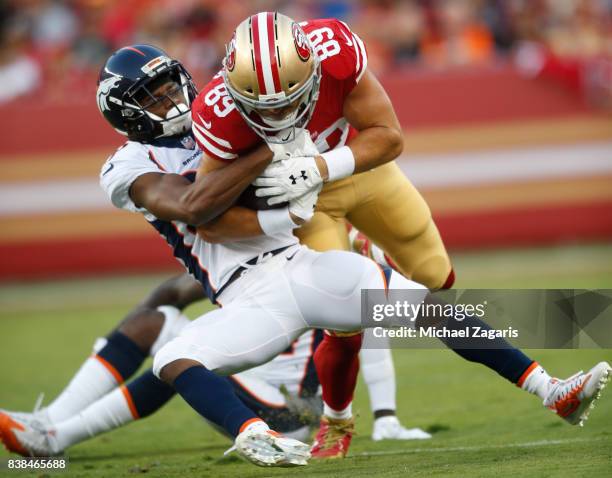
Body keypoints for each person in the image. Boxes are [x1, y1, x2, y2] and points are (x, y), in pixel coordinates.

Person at [189, 12, 611, 460]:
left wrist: (320, 166)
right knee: (345, 320)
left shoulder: (335, 50)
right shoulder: (218, 114)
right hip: (307, 209)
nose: (279, 114)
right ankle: (336, 422)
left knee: (436, 281)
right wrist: (279, 217)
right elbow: (207, 216)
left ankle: (548, 388)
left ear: (312, 70)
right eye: (264, 107)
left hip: (356, 170)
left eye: (290, 100)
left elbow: (389, 136)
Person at [0, 270, 429, 458]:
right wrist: (114, 341)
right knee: (168, 339)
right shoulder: (245, 251)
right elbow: (170, 293)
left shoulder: (324, 250)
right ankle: (49, 432)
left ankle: (51, 434)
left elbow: (372, 330)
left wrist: (385, 414)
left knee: (171, 344)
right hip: (257, 388)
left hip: (288, 410)